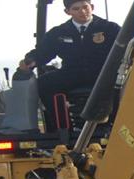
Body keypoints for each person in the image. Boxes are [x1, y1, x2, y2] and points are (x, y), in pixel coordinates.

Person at [18, 0, 122, 130]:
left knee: (123, 84)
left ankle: (114, 126)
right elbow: (43, 52)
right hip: (72, 73)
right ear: (68, 12)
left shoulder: (110, 29)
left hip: (102, 73)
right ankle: (61, 127)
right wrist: (31, 61)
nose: (82, 12)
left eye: (85, 7)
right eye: (76, 9)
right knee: (43, 84)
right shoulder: (58, 33)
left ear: (92, 7)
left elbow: (127, 47)